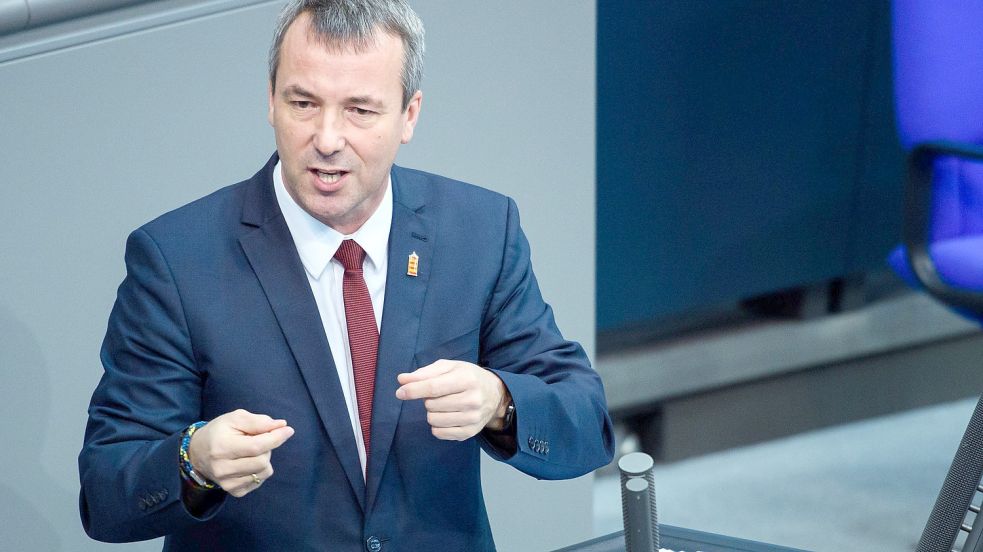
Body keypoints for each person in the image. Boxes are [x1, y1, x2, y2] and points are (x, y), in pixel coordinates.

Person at [78, 0, 614, 550]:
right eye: (304, 103)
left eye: (360, 110)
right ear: (270, 100)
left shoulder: (478, 231)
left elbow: (585, 424)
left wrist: (501, 402)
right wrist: (193, 462)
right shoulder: (176, 261)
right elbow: (106, 492)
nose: (328, 138)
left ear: (409, 114)